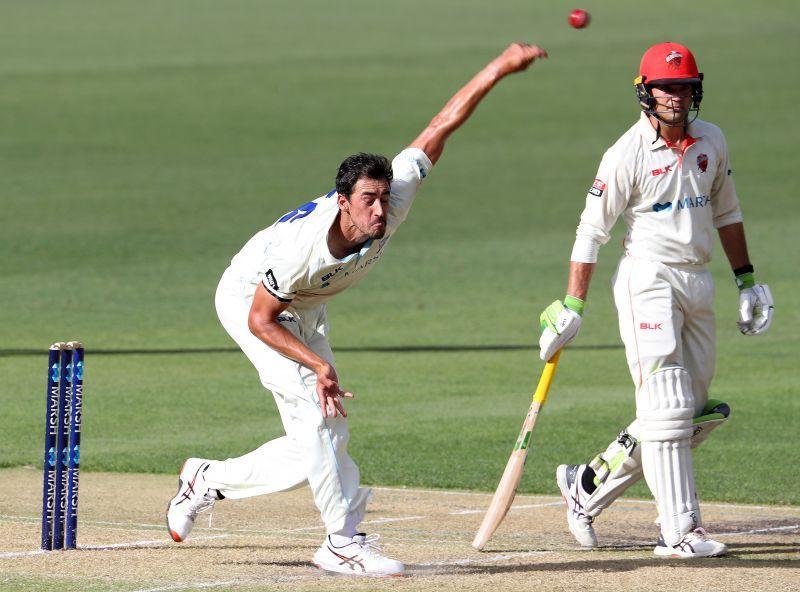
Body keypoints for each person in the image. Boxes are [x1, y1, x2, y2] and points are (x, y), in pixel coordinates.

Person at [166, 42, 548, 576]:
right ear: (342, 200)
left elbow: (439, 128)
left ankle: (207, 479)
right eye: (367, 198)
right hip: (252, 300)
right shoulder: (300, 246)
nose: (378, 209)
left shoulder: (391, 202)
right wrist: (319, 366)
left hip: (306, 305)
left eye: (383, 196)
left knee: (316, 447)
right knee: (322, 423)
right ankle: (342, 542)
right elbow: (260, 319)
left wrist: (501, 67)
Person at [538, 42, 773, 558]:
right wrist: (574, 304)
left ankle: (587, 485)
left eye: (686, 87)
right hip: (648, 280)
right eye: (668, 87)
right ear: (646, 92)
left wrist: (747, 279)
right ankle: (680, 532)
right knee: (666, 407)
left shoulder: (712, 140)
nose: (678, 96)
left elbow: (727, 213)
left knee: (690, 414)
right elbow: (590, 231)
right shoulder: (625, 154)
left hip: (698, 280)